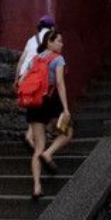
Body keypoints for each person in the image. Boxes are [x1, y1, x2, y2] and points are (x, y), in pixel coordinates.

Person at [22, 28, 71, 200]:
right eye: (59, 41)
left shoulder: (35, 59)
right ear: (49, 42)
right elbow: (59, 83)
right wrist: (65, 108)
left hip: (34, 105)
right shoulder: (58, 59)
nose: (61, 44)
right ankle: (49, 154)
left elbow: (23, 80)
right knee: (67, 133)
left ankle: (37, 187)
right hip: (51, 102)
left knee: (37, 148)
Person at [15, 13, 54, 84]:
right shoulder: (52, 40)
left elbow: (21, 61)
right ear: (52, 28)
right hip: (37, 77)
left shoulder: (31, 40)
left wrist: (16, 80)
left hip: (23, 75)